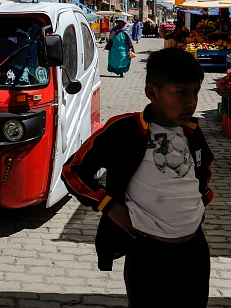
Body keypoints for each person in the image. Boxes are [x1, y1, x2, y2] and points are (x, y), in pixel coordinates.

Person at [61, 47, 214, 308]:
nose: (190, 102)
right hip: (148, 254)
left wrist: (200, 204)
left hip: (195, 250)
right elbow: (73, 171)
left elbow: (204, 169)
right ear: (151, 92)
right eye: (180, 92)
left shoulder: (192, 131)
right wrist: (108, 206)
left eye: (195, 93)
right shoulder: (123, 130)